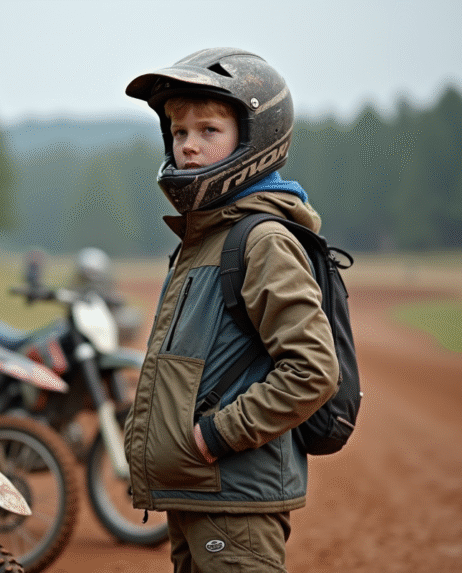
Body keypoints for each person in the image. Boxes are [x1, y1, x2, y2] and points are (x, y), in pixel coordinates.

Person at [122, 48, 339, 572]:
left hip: (233, 497)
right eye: (179, 133)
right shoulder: (206, 236)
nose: (189, 147)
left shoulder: (260, 239)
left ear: (254, 139)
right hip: (197, 491)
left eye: (208, 130)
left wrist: (215, 436)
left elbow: (313, 369)